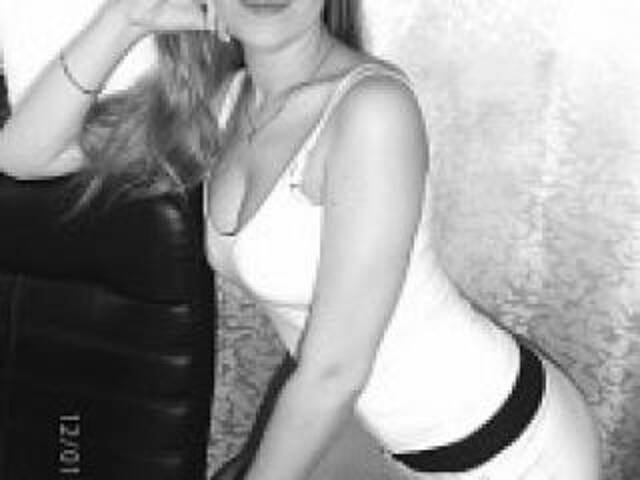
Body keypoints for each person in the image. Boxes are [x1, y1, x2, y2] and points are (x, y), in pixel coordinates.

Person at [0, 1, 601, 479]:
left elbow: (333, 372)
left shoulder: (371, 109)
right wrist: (125, 18)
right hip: (375, 431)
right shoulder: (221, 104)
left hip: (503, 448)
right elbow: (23, 154)